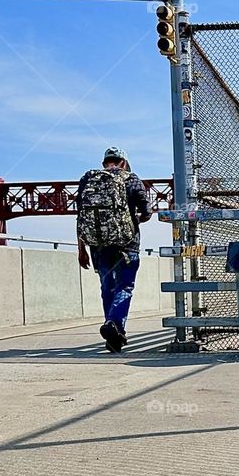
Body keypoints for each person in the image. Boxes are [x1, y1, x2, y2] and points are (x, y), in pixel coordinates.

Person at [76, 147, 152, 352]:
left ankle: (114, 337)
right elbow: (147, 213)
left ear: (104, 163)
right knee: (125, 287)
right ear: (124, 163)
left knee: (107, 287)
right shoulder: (132, 179)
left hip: (98, 245)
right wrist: (134, 219)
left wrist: (81, 249)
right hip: (128, 245)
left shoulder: (88, 180)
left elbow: (81, 217)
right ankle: (114, 324)